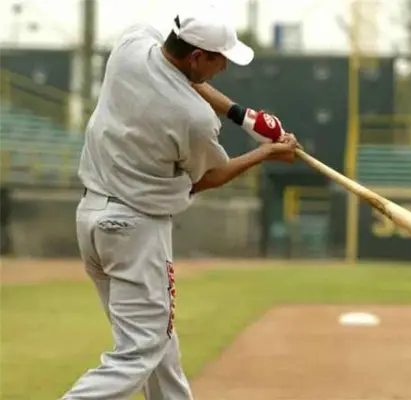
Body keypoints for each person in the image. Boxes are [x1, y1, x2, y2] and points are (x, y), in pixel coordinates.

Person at [61, 4, 299, 400]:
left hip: (92, 218)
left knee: (160, 344)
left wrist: (244, 117)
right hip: (135, 230)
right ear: (197, 57)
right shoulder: (193, 118)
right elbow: (208, 177)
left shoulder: (131, 46)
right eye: (220, 58)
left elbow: (176, 74)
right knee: (140, 351)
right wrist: (266, 153)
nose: (224, 66)